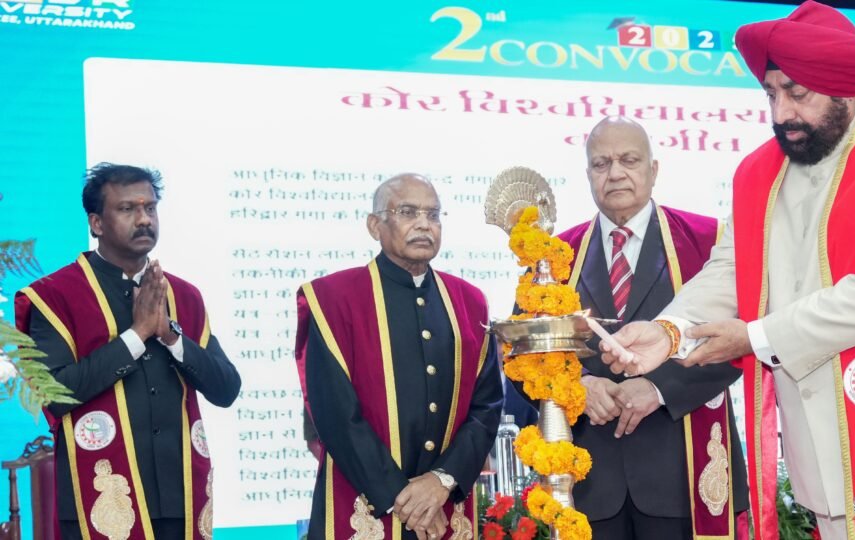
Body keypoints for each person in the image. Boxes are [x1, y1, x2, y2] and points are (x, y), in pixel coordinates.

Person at [599, 3, 855, 539]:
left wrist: (754, 338)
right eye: (771, 94)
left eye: (797, 94)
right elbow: (731, 269)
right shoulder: (759, 172)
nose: (782, 114)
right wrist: (669, 330)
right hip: (824, 459)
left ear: (845, 88)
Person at [538, 116, 750, 538]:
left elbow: (738, 336)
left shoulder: (709, 240)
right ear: (588, 175)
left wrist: (658, 389)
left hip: (682, 470)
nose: (615, 173)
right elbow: (525, 360)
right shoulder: (555, 257)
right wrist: (578, 386)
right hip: (589, 481)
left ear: (654, 170)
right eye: (601, 164)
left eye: (629, 160)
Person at [15, 163, 242, 540]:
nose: (144, 219)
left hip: (180, 497)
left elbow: (226, 389)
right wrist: (137, 334)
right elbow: (54, 396)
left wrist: (170, 336)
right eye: (127, 209)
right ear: (96, 224)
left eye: (150, 208)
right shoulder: (54, 297)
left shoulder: (183, 295)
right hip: (102, 498)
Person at [295, 173, 503, 540]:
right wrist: (405, 499)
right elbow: (335, 414)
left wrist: (442, 481)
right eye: (408, 212)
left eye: (433, 215)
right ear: (374, 225)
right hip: (364, 502)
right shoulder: (333, 299)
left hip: (445, 501)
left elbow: (486, 406)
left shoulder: (469, 302)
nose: (424, 224)